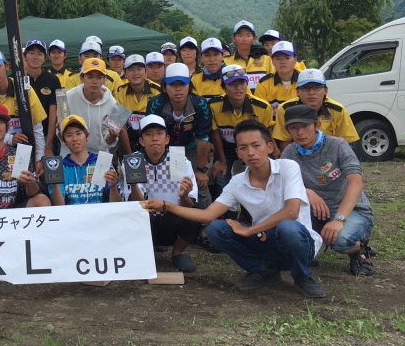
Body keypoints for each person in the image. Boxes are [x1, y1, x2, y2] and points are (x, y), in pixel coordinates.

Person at [143, 119, 326, 298]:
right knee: (215, 228)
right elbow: (207, 215)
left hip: (299, 242)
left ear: (269, 147)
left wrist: (250, 230)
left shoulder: (288, 167)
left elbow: (292, 212)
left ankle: (303, 276)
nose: (251, 153)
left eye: (256, 145)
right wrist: (165, 205)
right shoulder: (238, 182)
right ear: (238, 152)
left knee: (288, 227)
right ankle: (263, 271)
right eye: (244, 148)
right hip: (265, 241)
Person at [281, 105, 375, 276]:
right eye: (294, 128)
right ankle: (309, 251)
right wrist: (307, 192)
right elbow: (284, 185)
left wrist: (339, 219)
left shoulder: (338, 145)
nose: (300, 132)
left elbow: (356, 182)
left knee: (341, 241)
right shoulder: (289, 152)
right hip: (313, 210)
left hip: (350, 210)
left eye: (305, 126)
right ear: (287, 130)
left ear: (317, 126)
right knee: (288, 234)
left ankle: (358, 248)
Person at [125, 115, 200, 272]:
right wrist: (133, 187)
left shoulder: (180, 161)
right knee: (135, 214)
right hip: (148, 217)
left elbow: (191, 204)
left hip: (173, 217)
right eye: (148, 134)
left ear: (167, 139)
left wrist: (184, 196)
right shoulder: (133, 162)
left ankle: (178, 252)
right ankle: (148, 251)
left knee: (193, 214)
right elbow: (136, 205)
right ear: (141, 141)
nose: (154, 138)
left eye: (159, 133)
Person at [146, 62, 213, 209]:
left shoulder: (200, 104)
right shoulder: (155, 103)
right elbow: (151, 131)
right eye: (172, 85)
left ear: (189, 86)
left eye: (182, 84)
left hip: (191, 147)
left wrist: (201, 169)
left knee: (199, 184)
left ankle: (206, 222)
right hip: (164, 149)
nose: (178, 89)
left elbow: (203, 138)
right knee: (167, 183)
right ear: (164, 87)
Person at [0, 49, 47, 165]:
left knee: (24, 180)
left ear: (6, 66)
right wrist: (9, 139)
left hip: (24, 151)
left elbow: (37, 127)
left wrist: (40, 158)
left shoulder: (25, 90)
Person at [209, 65, 275, 200]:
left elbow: (266, 133)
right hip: (225, 148)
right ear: (223, 88)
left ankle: (249, 214)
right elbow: (215, 133)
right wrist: (221, 160)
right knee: (221, 179)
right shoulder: (213, 106)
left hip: (252, 147)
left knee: (254, 179)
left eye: (241, 83)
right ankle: (226, 214)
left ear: (247, 84)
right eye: (232, 84)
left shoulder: (262, 107)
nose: (238, 88)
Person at [273, 69, 359, 151]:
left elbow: (346, 142)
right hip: (297, 155)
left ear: (325, 91)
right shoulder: (285, 109)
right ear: (298, 91)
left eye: (317, 87)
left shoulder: (338, 110)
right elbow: (284, 141)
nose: (311, 93)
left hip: (329, 155)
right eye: (305, 88)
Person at [50, 115, 120, 205]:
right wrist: (55, 184)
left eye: (79, 133)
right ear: (63, 140)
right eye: (69, 135)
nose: (75, 139)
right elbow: (58, 207)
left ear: (87, 136)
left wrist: (113, 187)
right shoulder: (59, 168)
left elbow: (117, 206)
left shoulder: (102, 162)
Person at [65, 58, 120, 155]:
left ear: (104, 80)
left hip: (100, 153)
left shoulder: (113, 103)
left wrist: (111, 136)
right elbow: (61, 131)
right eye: (90, 77)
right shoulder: (68, 97)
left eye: (99, 77)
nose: (95, 82)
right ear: (82, 78)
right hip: (71, 152)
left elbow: (109, 141)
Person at [115, 54, 161, 154]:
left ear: (145, 72)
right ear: (125, 73)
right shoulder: (120, 92)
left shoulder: (157, 91)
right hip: (128, 140)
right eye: (131, 69)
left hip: (153, 140)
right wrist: (129, 154)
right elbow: (119, 125)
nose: (135, 73)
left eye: (139, 69)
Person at [22, 39, 60, 161]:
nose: (35, 57)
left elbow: (54, 112)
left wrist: (48, 144)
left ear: (45, 58)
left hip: (45, 136)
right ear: (24, 56)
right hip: (22, 137)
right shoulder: (15, 79)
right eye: (31, 53)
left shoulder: (53, 80)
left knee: (46, 174)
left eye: (39, 54)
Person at [254, 41, 300, 120]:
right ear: (272, 61)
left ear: (295, 59)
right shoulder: (263, 84)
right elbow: (260, 114)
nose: (283, 62)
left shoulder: (304, 81)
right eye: (278, 58)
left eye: (287, 58)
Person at [224, 20, 273, 91]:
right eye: (240, 35)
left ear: (254, 38)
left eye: (248, 35)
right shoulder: (226, 62)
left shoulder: (267, 60)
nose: (244, 39)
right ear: (233, 38)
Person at [190, 38, 225, 103]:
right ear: (201, 58)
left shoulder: (232, 75)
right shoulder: (195, 79)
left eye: (216, 54)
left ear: (223, 56)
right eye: (207, 55)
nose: (212, 59)